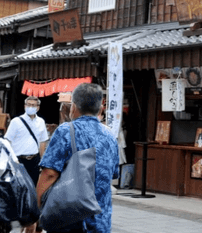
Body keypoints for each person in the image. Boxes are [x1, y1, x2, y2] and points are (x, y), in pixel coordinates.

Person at [36, 83, 120, 233]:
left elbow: (49, 173)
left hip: (70, 218)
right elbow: (113, 173)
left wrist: (36, 209)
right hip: (101, 219)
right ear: (101, 109)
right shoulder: (110, 136)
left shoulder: (66, 131)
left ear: (73, 107)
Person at [5, 96, 49, 233]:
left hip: (34, 161)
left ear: (38, 107)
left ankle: (29, 223)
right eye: (28, 104)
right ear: (24, 106)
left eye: (34, 105)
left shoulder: (41, 122)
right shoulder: (16, 122)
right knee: (18, 192)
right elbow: (8, 142)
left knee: (33, 193)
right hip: (19, 161)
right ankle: (17, 221)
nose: (31, 106)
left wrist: (42, 161)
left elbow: (42, 142)